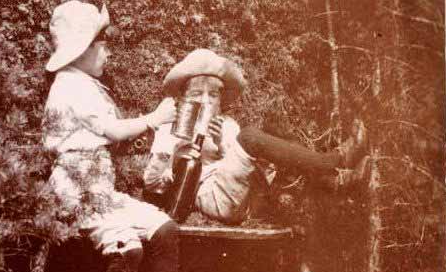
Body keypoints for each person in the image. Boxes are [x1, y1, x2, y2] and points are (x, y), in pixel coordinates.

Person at [42, 0, 203, 272]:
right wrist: (153, 119)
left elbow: (109, 138)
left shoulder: (85, 85)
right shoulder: (69, 86)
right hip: (76, 189)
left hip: (99, 187)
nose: (108, 51)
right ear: (82, 49)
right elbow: (113, 132)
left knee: (164, 229)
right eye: (102, 43)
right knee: (127, 249)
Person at [143, 49, 369, 224]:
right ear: (183, 98)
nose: (206, 101)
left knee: (275, 135)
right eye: (196, 94)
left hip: (245, 195)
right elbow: (152, 185)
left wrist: (223, 143)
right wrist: (171, 147)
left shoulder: (226, 125)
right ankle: (334, 161)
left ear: (221, 100)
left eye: (213, 94)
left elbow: (239, 166)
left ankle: (333, 181)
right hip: (212, 199)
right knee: (251, 138)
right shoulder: (170, 127)